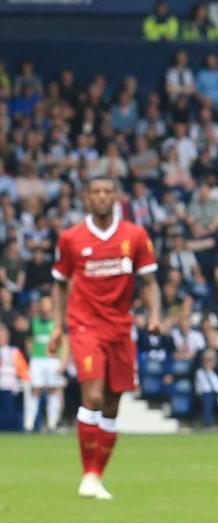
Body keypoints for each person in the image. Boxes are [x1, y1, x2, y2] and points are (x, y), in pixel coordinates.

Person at [50, 176, 160, 499]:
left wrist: (154, 316)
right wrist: (58, 326)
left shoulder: (135, 235)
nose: (101, 196)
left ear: (116, 197)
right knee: (94, 397)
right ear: (86, 197)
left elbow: (150, 281)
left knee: (112, 403)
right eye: (95, 192)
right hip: (85, 325)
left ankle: (97, 474)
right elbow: (59, 282)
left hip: (120, 328)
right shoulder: (71, 238)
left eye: (107, 191)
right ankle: (87, 474)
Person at [24, 296, 67, 432]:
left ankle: (52, 423)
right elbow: (29, 340)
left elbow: (66, 342)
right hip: (37, 360)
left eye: (47, 303)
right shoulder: (34, 321)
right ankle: (29, 424)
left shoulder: (57, 324)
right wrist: (32, 355)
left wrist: (63, 361)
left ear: (52, 306)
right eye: (42, 303)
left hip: (53, 360)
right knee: (35, 389)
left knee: (53, 390)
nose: (44, 306)